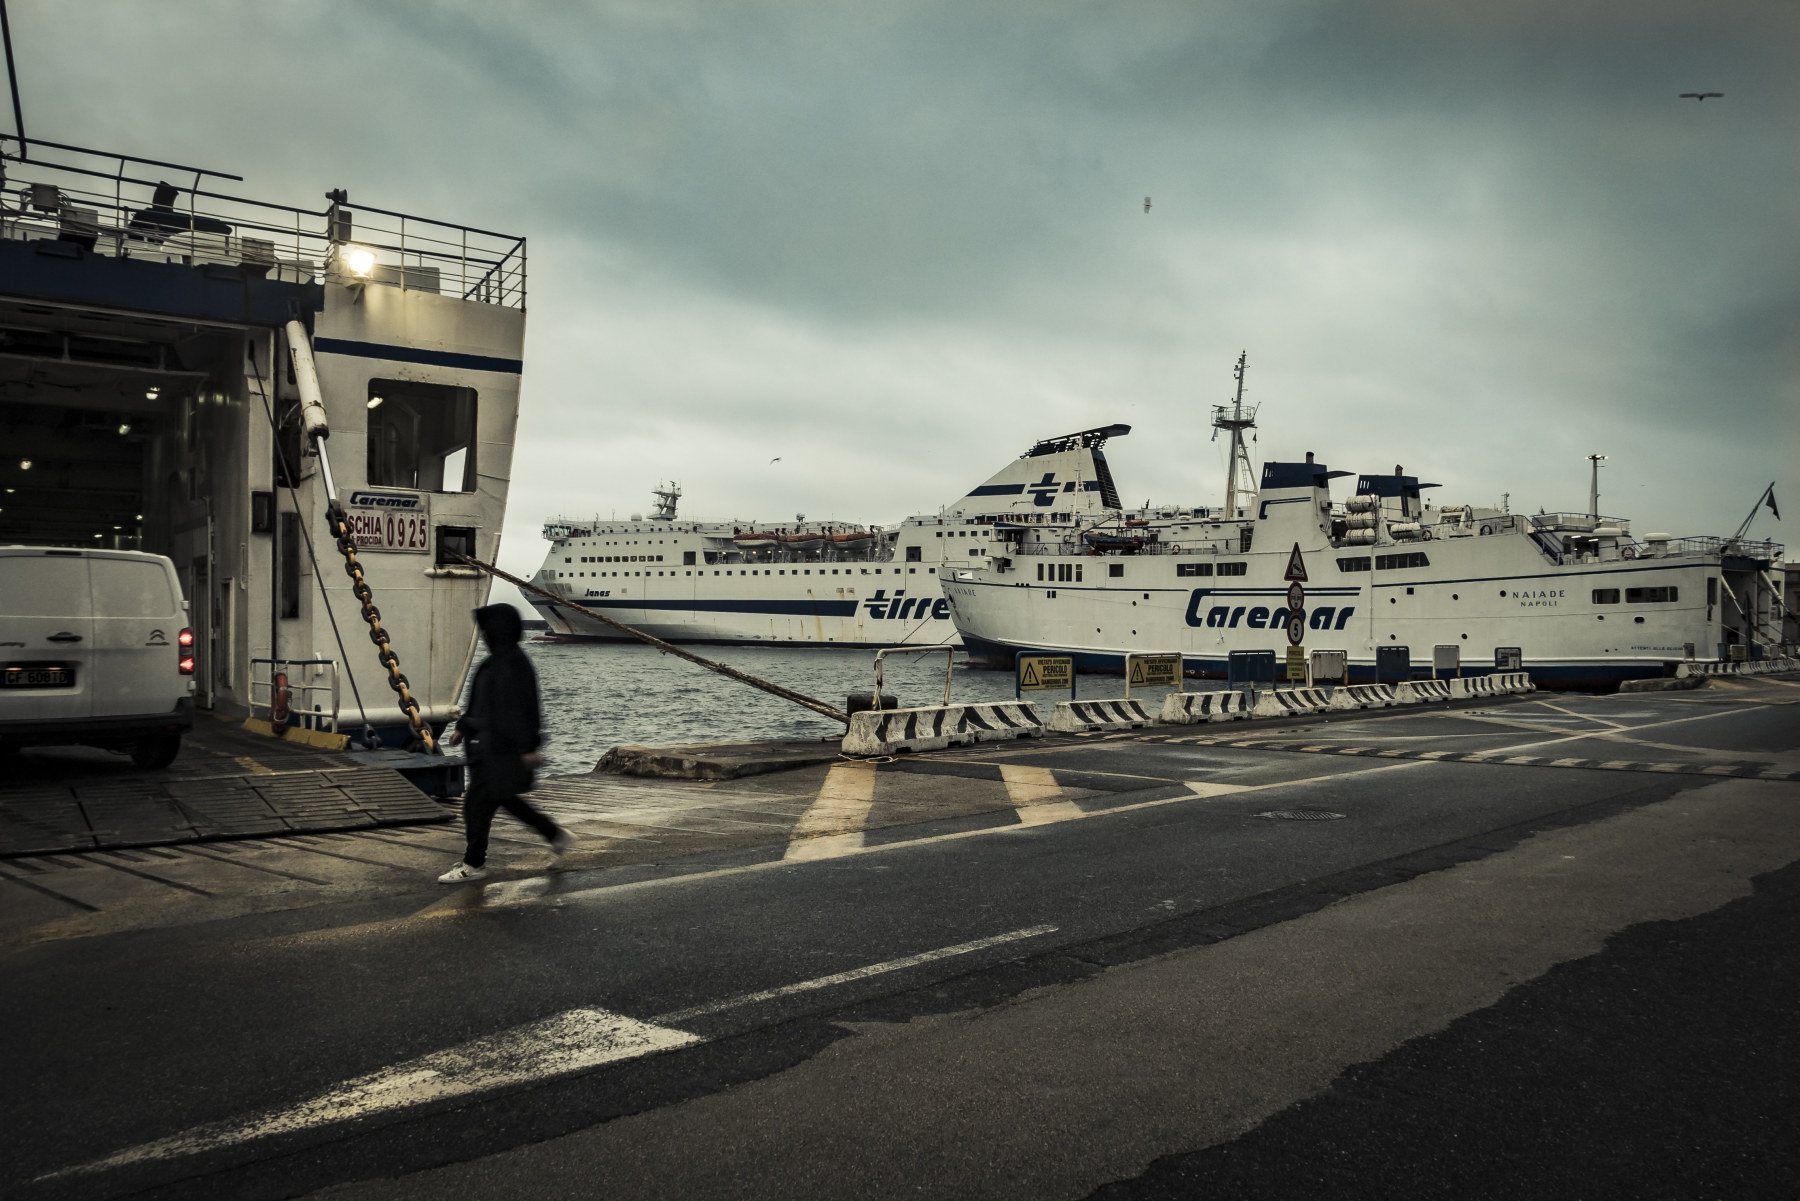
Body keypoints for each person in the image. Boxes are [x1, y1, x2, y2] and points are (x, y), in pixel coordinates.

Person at [437, 603, 573, 883]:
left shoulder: (515, 664)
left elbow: (524, 710)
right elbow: (479, 701)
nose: (484, 634)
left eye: (488, 629)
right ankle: (554, 834)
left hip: (501, 749)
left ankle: (474, 864)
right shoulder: (494, 662)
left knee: (476, 805)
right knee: (503, 800)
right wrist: (462, 728)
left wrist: (527, 748)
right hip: (486, 748)